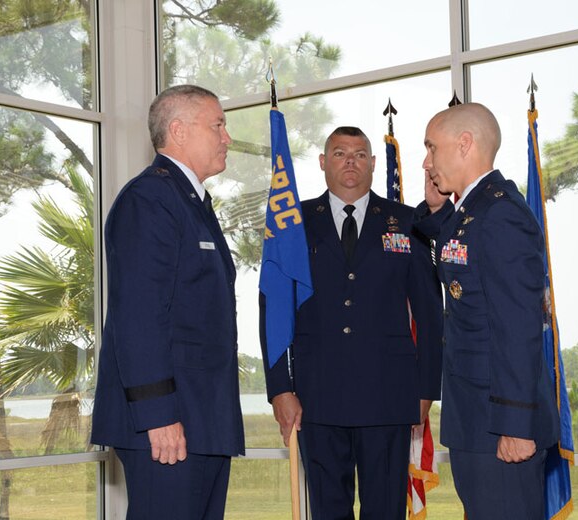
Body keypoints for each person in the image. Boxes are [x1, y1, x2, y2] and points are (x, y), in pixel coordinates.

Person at [260, 126, 443, 519]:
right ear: (324, 163)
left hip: (388, 398)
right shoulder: (293, 223)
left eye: (360, 154)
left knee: (385, 510)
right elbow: (273, 308)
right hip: (316, 398)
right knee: (328, 511)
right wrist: (280, 389)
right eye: (340, 153)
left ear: (374, 164)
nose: (350, 162)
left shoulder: (406, 222)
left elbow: (429, 315)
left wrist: (426, 389)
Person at [91, 85, 244, 520]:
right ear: (178, 130)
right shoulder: (149, 199)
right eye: (217, 125)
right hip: (167, 422)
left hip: (202, 417)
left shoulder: (188, 200)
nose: (226, 137)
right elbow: (139, 317)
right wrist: (158, 415)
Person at [416, 103, 559, 519]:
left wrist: (515, 424)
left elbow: (518, 327)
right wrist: (440, 212)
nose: (426, 161)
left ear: (464, 144)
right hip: (478, 421)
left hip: (501, 425)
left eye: (431, 147)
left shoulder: (501, 215)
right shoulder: (474, 210)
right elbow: (464, 262)